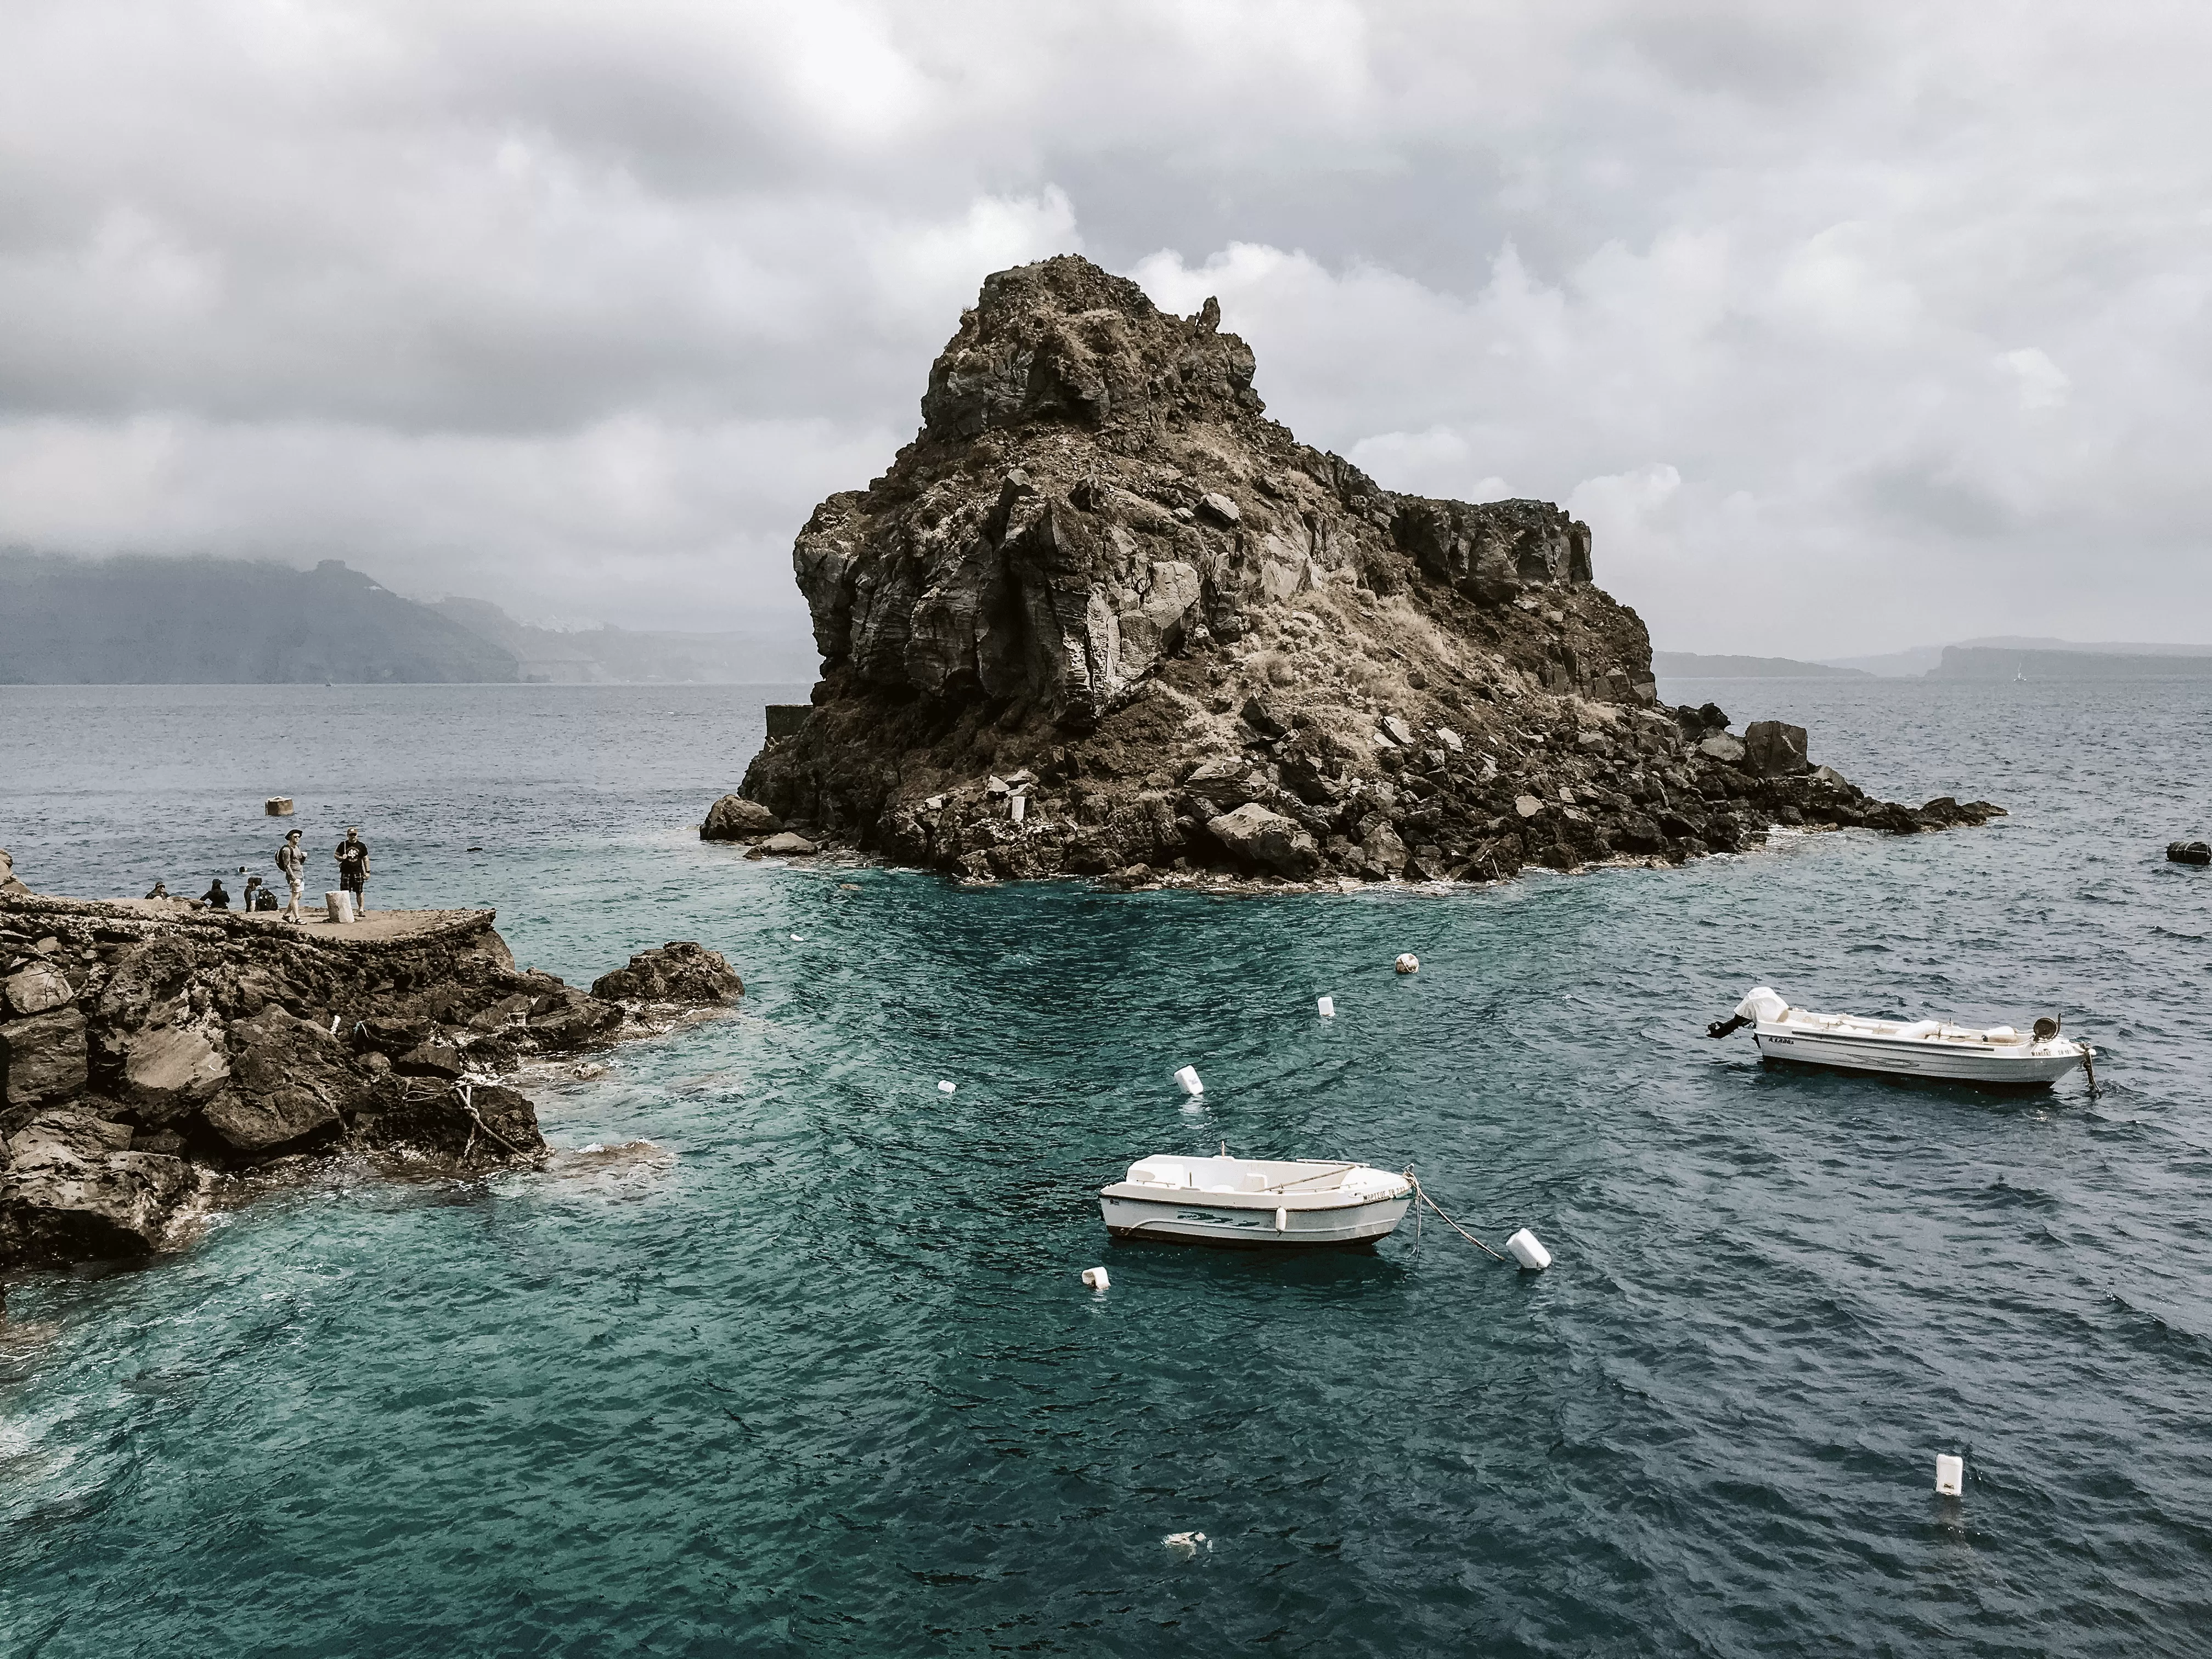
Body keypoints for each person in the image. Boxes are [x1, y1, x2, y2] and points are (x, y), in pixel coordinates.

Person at [335, 826, 371, 917]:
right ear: (348, 836)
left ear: (357, 835)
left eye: (354, 835)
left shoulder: (361, 846)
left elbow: (366, 859)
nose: (353, 837)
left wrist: (368, 871)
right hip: (346, 872)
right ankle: (346, 910)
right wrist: (341, 858)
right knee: (344, 892)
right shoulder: (343, 845)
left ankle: (361, 909)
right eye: (351, 835)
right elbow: (336, 855)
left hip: (358, 872)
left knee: (359, 891)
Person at [275, 827, 307, 922]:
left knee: (299, 895)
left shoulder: (297, 848)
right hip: (294, 875)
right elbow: (287, 866)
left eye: (299, 837)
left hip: (300, 874)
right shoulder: (287, 850)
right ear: (290, 838)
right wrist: (293, 879)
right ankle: (297, 918)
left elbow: (299, 862)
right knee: (295, 896)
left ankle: (286, 914)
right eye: (295, 837)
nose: (298, 839)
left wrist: (304, 858)